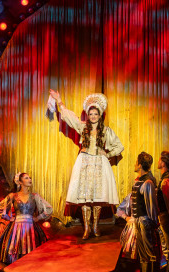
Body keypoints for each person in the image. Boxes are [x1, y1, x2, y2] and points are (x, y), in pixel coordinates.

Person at [49, 90, 124, 239]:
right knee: (84, 197)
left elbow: (119, 146)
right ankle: (87, 228)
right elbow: (70, 118)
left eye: (95, 114)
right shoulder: (83, 127)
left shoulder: (106, 131)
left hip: (100, 164)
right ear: (88, 115)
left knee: (97, 196)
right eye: (91, 114)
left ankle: (95, 226)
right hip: (84, 163)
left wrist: (108, 154)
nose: (93, 116)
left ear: (100, 115)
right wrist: (59, 101)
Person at [111, 152, 160, 272]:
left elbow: (151, 208)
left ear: (140, 165)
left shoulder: (147, 183)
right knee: (143, 255)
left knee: (148, 255)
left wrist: (154, 224)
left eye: (136, 162)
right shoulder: (140, 182)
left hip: (145, 222)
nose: (134, 164)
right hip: (139, 222)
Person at [0, 172, 52, 265]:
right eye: (26, 178)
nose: (30, 180)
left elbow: (49, 208)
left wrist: (38, 218)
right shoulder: (13, 196)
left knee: (33, 251)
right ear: (20, 182)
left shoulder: (34, 196)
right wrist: (9, 218)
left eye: (30, 178)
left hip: (31, 227)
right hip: (16, 227)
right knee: (15, 250)